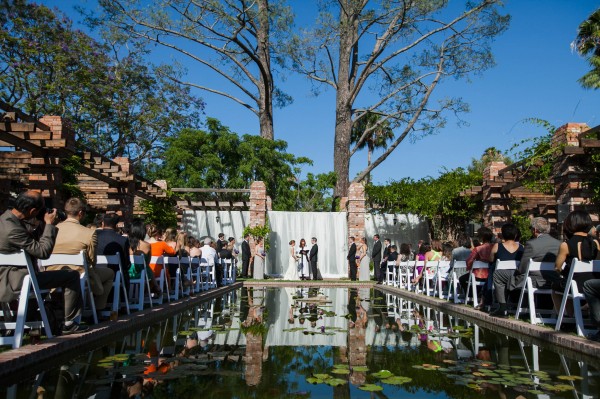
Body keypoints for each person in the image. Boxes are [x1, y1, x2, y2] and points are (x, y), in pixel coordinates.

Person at [0, 190, 87, 335]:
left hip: (11, 277)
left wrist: (40, 225)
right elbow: (43, 252)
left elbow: (27, 242)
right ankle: (69, 323)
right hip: (15, 281)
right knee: (71, 275)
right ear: (33, 210)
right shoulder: (13, 229)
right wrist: (49, 224)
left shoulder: (6, 220)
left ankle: (33, 324)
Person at [50, 197, 114, 312]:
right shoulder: (89, 233)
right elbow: (91, 261)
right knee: (110, 273)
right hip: (79, 275)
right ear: (80, 213)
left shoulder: (52, 229)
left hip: (51, 275)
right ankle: (98, 309)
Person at [553, 210, 600, 315]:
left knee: (556, 286)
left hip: (575, 284)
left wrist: (563, 272)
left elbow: (557, 267)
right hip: (594, 285)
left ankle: (568, 315)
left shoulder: (566, 245)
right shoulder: (596, 243)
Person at [489, 223, 524, 317]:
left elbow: (491, 259)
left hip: (502, 275)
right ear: (516, 235)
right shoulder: (521, 247)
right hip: (517, 276)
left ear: (502, 235)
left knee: (496, 275)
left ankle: (502, 306)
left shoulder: (497, 246)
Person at [459, 227, 494, 310]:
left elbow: (469, 261)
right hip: (492, 274)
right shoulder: (495, 247)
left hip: (479, 274)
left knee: (462, 279)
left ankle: (470, 296)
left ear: (482, 237)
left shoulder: (478, 249)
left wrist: (470, 267)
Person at [96, 212, 131, 291]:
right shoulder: (123, 240)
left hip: (95, 275)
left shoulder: (94, 238)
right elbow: (126, 263)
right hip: (116, 277)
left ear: (103, 223)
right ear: (116, 225)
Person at [128, 219, 162, 295]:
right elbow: (147, 262)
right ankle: (156, 287)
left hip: (127, 273)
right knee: (147, 268)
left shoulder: (126, 243)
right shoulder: (147, 245)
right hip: (141, 273)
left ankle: (155, 288)